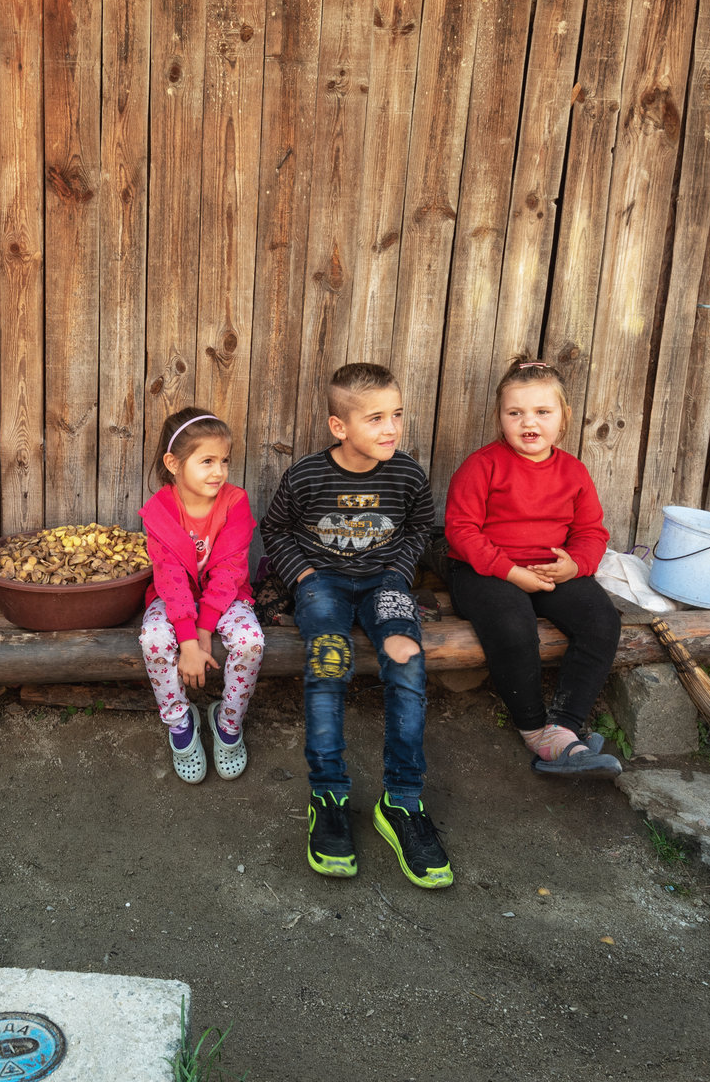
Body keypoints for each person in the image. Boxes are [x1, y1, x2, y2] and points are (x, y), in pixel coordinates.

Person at [260, 363, 448, 890]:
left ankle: (402, 801)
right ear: (339, 427)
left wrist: (398, 572)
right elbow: (274, 529)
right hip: (322, 584)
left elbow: (419, 528)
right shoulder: (306, 476)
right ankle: (328, 795)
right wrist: (304, 575)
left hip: (386, 582)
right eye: (375, 418)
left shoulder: (407, 474)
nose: (391, 429)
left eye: (397, 415)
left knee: (407, 665)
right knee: (328, 662)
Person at [444, 356, 622, 779]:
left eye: (542, 411)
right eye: (515, 413)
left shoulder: (574, 471)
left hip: (549, 569)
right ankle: (534, 729)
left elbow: (591, 531)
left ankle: (564, 726)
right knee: (513, 621)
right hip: (484, 569)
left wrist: (574, 565)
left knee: (601, 620)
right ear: (499, 417)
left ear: (564, 417)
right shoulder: (483, 465)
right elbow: (461, 530)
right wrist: (510, 572)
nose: (529, 422)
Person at [138, 407, 265, 784]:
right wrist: (188, 640)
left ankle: (228, 722)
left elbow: (229, 569)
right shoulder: (160, 511)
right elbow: (170, 577)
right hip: (172, 599)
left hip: (226, 597)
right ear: (173, 463)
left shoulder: (235, 502)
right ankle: (180, 723)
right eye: (207, 461)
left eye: (224, 460)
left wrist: (205, 628)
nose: (219, 471)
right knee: (154, 638)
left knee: (250, 642)